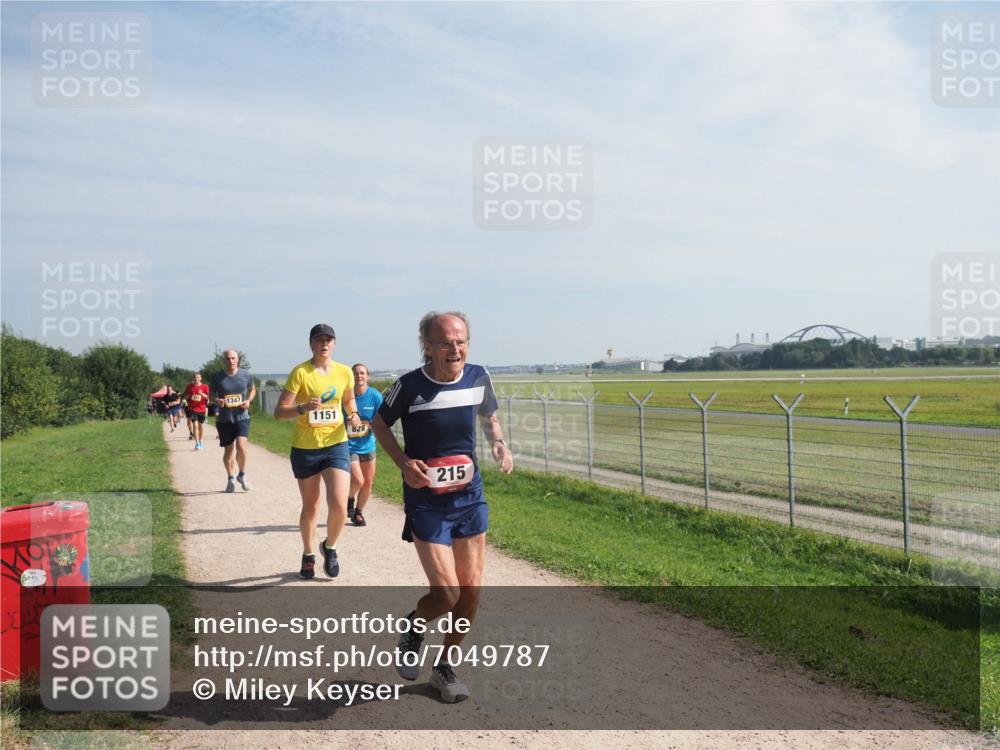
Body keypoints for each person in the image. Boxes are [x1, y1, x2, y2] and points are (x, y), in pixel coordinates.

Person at [372, 311, 513, 703]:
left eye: (462, 340)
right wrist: (404, 464)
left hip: (470, 496)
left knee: (470, 591)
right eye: (446, 342)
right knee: (447, 592)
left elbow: (489, 416)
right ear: (428, 347)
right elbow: (379, 424)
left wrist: (498, 443)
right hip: (427, 502)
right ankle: (416, 625)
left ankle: (445, 667)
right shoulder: (409, 386)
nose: (456, 349)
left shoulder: (478, 376)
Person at [274, 325, 362, 580]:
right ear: (311, 344)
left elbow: (347, 400)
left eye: (329, 339)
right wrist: (302, 407)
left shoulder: (345, 372)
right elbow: (280, 412)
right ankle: (309, 553)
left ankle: (330, 546)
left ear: (334, 344)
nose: (324, 344)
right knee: (311, 505)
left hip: (336, 443)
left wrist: (353, 414)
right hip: (306, 447)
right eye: (319, 340)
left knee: (339, 505)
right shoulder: (300, 373)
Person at [210, 349, 256, 493]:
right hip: (224, 419)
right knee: (228, 452)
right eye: (228, 358)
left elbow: (253, 389)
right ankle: (230, 477)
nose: (231, 361)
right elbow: (210, 395)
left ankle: (242, 474)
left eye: (233, 358)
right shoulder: (217, 377)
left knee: (242, 446)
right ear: (224, 360)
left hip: (242, 416)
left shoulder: (246, 375)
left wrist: (248, 400)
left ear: (238, 360)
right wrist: (217, 400)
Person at [346, 363, 383, 527]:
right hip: (349, 445)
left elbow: (382, 419)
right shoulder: (346, 396)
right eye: (355, 373)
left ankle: (358, 513)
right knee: (358, 480)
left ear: (367, 376)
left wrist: (373, 424)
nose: (359, 376)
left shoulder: (375, 396)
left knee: (368, 482)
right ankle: (349, 499)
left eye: (362, 373)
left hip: (368, 444)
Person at [183, 372, 210, 450]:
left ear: (200, 378)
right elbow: (186, 395)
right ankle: (197, 443)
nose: (196, 379)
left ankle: (201, 440)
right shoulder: (189, 386)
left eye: (198, 377)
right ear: (193, 378)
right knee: (195, 424)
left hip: (202, 409)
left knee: (201, 426)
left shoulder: (205, 387)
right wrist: (185, 399)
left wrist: (202, 395)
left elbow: (208, 397)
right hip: (192, 409)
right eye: (195, 377)